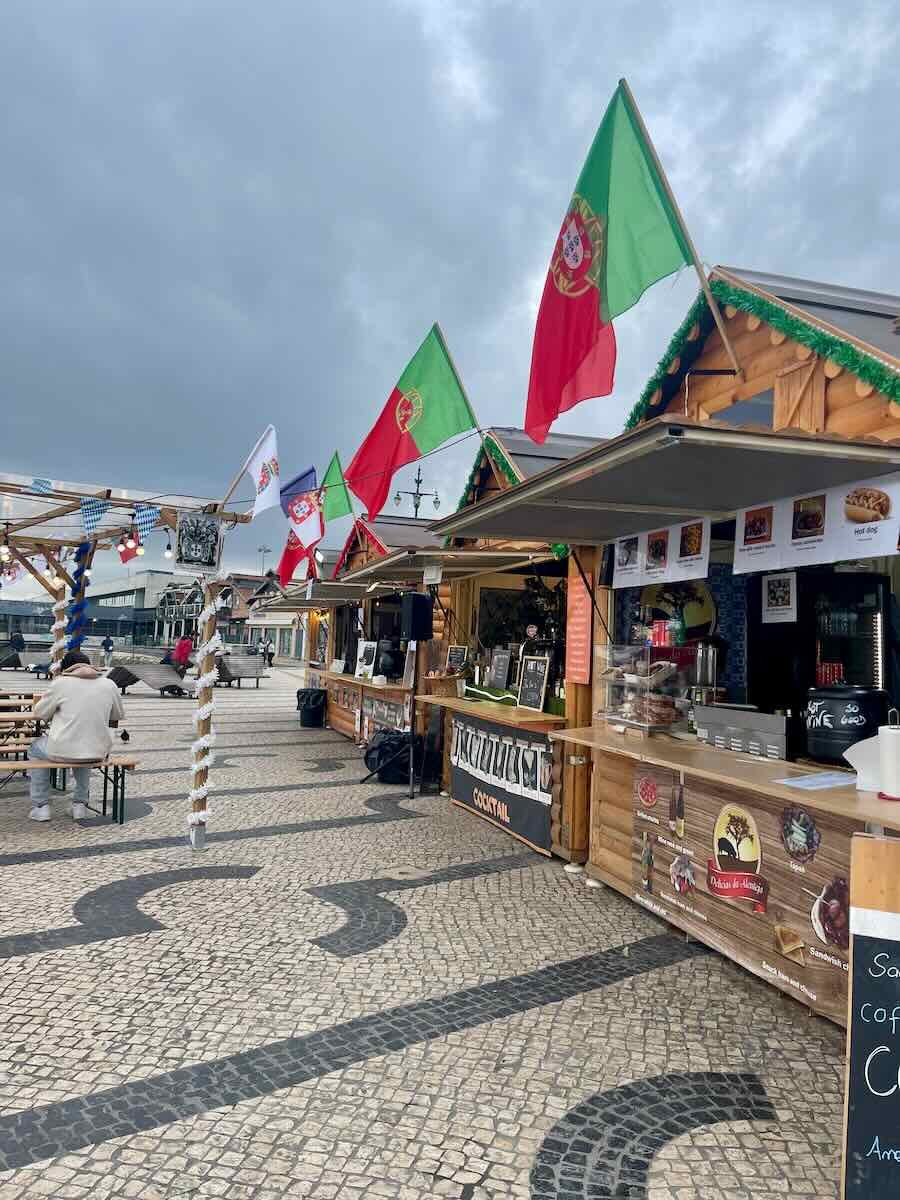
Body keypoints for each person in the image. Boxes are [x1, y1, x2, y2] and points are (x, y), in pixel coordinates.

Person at [28, 650, 125, 822]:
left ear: (67, 668)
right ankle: (79, 805)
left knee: (35, 748)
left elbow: (39, 712)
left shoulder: (61, 683)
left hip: (61, 750)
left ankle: (41, 806)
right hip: (98, 750)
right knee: (86, 746)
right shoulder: (109, 684)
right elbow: (116, 716)